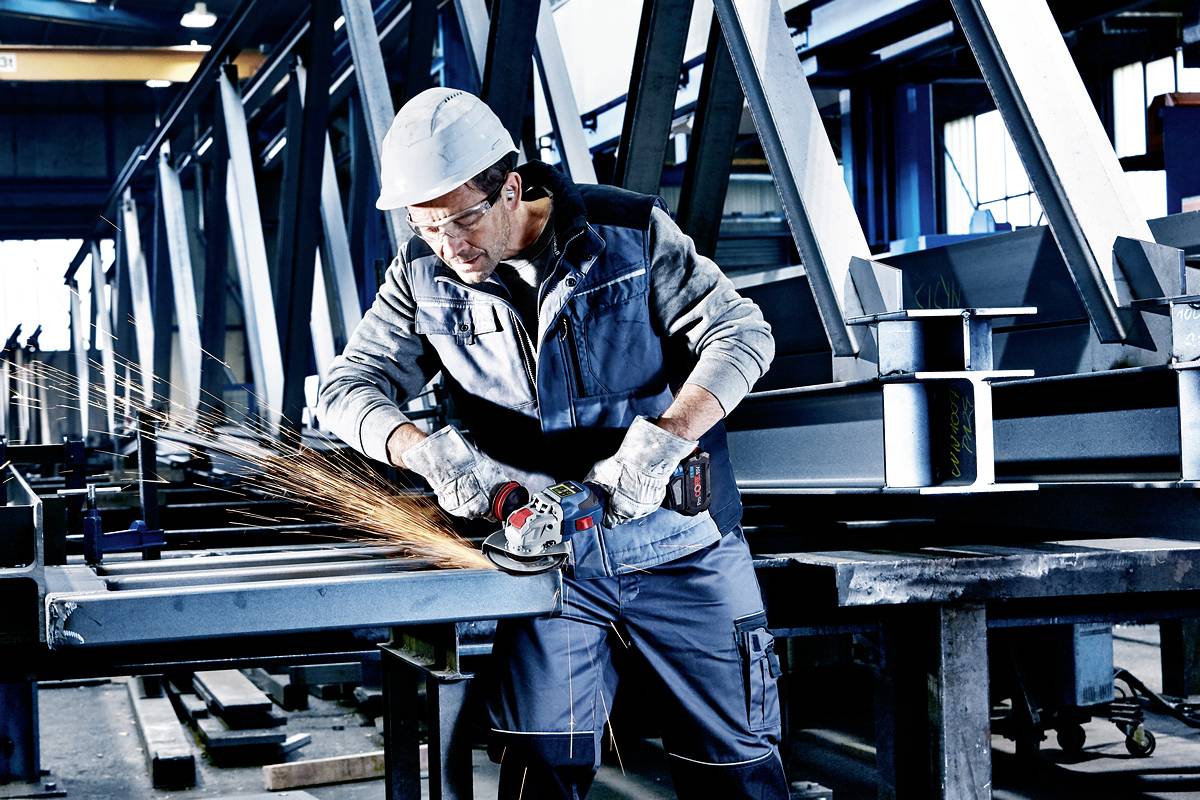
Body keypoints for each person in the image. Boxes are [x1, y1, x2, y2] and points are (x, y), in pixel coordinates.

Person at [319, 86, 787, 799]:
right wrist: (423, 450)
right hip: (545, 566)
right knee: (541, 770)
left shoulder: (631, 234)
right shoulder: (420, 275)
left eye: (463, 221)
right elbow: (344, 388)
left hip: (682, 546)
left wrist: (665, 439)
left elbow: (742, 332)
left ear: (511, 188)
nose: (450, 247)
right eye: (427, 227)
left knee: (737, 768)